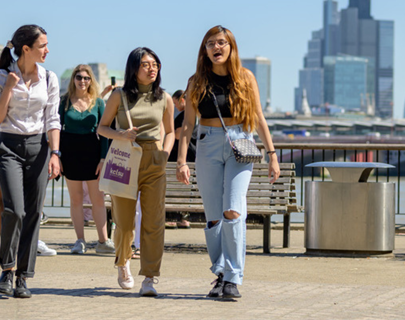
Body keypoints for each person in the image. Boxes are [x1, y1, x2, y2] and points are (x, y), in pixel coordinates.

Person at [176, 25, 280, 299]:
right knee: (213, 217)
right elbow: (187, 125)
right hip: (207, 143)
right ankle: (220, 272)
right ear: (204, 50)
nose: (216, 47)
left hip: (240, 143)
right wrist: (182, 161)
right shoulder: (196, 81)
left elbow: (258, 117)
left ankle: (233, 278)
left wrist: (272, 155)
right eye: (210, 43)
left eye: (221, 42)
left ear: (231, 47)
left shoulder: (245, 78)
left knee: (233, 210)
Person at [0, 24, 61, 298]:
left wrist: (55, 153)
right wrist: (8, 87)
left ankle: (22, 277)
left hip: (39, 148)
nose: (47, 50)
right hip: (9, 145)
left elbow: (53, 119)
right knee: (15, 211)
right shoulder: (2, 76)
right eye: (43, 45)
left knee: (33, 214)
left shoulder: (49, 78)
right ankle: (6, 268)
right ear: (26, 49)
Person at [97, 47, 174, 297]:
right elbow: (102, 128)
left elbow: (170, 131)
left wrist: (164, 154)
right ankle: (122, 262)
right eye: (145, 64)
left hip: (154, 159)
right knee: (125, 222)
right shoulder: (119, 95)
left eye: (155, 64)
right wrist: (121, 134)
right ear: (134, 69)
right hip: (125, 158)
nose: (152, 68)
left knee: (153, 221)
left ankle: (150, 277)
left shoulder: (165, 98)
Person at [58, 64, 115, 256]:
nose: (83, 81)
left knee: (98, 199)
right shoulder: (64, 101)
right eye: (79, 77)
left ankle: (103, 241)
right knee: (76, 199)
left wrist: (103, 158)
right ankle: (79, 241)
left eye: (86, 78)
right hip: (69, 153)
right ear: (73, 79)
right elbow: (56, 128)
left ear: (91, 81)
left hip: (92, 152)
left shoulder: (98, 102)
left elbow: (105, 132)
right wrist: (56, 155)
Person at [0, 116, 56, 257]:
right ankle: (7, 243)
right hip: (1, 149)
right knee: (2, 200)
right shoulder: (1, 95)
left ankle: (28, 241)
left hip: (29, 149)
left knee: (31, 199)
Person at [166, 89, 194, 229]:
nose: (175, 106)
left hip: (182, 156)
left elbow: (178, 134)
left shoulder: (185, 116)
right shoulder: (193, 115)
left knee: (177, 189)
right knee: (185, 189)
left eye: (176, 102)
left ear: (182, 100)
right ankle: (184, 218)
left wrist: (168, 133)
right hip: (190, 156)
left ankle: (176, 217)